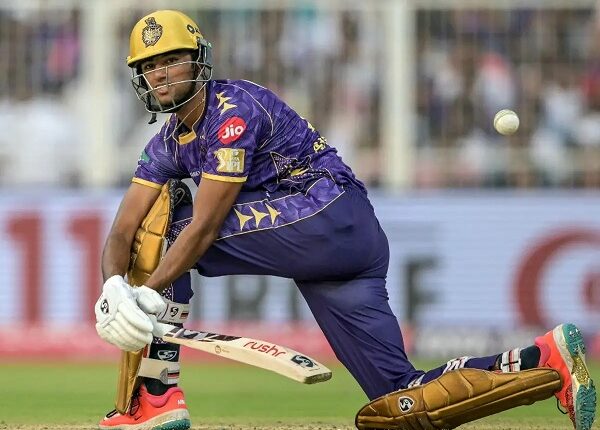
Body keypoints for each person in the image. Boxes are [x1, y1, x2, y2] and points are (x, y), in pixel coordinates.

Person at [94, 9, 597, 430]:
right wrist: (114, 288)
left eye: (172, 59)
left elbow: (205, 227)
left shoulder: (232, 108)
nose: (162, 74)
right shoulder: (164, 145)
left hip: (328, 214)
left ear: (198, 60)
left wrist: (148, 293)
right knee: (399, 398)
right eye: (150, 66)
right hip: (339, 250)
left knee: (176, 226)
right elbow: (123, 229)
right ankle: (545, 359)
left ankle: (158, 394)